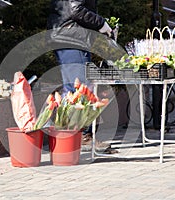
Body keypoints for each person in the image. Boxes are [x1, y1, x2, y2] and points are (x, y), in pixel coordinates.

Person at [47, 0, 113, 150]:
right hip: (71, 38)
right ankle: (81, 137)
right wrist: (100, 23)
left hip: (70, 37)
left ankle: (74, 137)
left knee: (75, 88)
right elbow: (75, 9)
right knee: (78, 89)